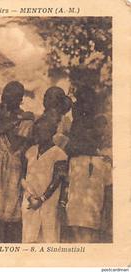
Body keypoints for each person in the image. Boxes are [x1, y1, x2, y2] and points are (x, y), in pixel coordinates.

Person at [0, 81, 34, 243]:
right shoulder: (4, 116)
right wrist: (15, 118)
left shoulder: (27, 121)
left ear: (20, 99)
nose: (8, 98)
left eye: (13, 95)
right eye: (6, 94)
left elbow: (15, 144)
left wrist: (13, 118)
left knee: (8, 219)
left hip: (11, 171)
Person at [64, 86, 112, 243]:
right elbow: (72, 147)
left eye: (84, 102)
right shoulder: (77, 124)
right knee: (76, 223)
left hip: (91, 170)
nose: (78, 106)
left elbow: (78, 147)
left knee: (90, 221)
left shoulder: (96, 123)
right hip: (79, 171)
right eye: (78, 102)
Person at [21, 115, 68, 243]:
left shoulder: (59, 154)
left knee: (48, 241)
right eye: (37, 131)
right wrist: (30, 197)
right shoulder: (30, 151)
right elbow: (22, 177)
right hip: (30, 202)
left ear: (52, 132)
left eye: (43, 131)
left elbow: (57, 180)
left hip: (48, 204)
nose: (39, 135)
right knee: (29, 241)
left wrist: (41, 199)